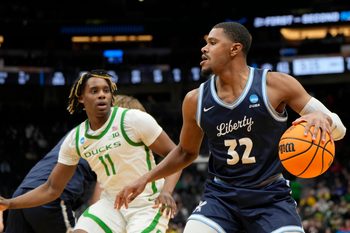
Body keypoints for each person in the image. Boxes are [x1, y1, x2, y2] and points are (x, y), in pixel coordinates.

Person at [114, 22, 347, 233]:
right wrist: (146, 178)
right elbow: (186, 152)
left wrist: (323, 119)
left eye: (212, 43)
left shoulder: (275, 84)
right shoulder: (195, 100)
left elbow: (340, 129)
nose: (204, 48)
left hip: (270, 197)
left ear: (235, 49)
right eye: (205, 43)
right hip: (221, 197)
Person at [0, 70, 181, 233]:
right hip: (112, 204)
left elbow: (176, 154)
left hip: (147, 204)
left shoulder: (133, 119)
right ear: (81, 98)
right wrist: (9, 203)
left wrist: (166, 191)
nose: (102, 95)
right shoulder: (75, 138)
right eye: (94, 91)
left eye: (106, 90)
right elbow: (51, 188)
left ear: (112, 96)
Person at [1, 94, 148, 233]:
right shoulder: (113, 141)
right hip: (50, 200)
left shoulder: (80, 132)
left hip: (23, 195)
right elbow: (97, 200)